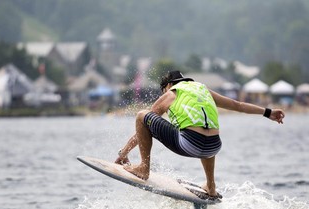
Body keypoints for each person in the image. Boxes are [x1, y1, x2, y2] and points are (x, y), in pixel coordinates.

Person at [115, 71, 285, 198]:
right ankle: (211, 185)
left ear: (168, 85)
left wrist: (124, 153)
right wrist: (268, 112)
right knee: (204, 130)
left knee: (141, 116)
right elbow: (238, 105)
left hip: (189, 145)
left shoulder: (172, 92)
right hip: (214, 147)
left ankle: (144, 167)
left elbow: (143, 126)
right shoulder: (203, 90)